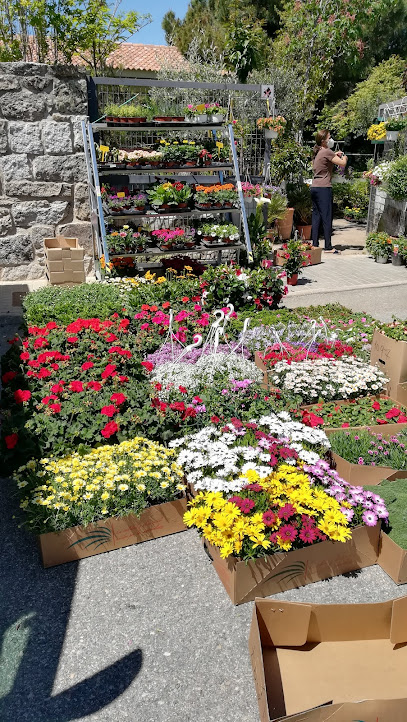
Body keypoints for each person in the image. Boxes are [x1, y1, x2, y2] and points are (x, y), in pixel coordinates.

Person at [311, 129, 347, 253]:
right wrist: (344, 157)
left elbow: (326, 160)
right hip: (324, 188)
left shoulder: (318, 152)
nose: (331, 139)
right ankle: (328, 246)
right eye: (329, 137)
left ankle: (315, 244)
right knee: (327, 216)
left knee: (316, 216)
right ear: (323, 141)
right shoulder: (327, 151)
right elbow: (342, 164)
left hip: (314, 186)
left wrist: (334, 154)